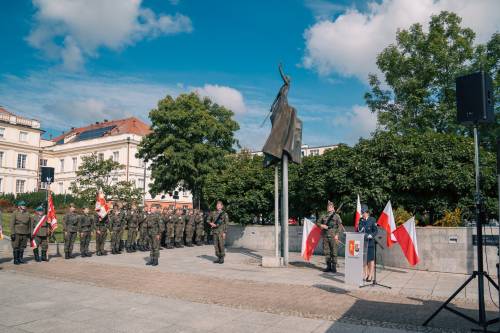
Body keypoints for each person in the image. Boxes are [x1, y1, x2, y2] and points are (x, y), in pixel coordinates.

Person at [316, 201, 342, 273]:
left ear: (333, 208)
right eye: (328, 207)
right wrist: (322, 225)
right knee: (326, 251)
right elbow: (317, 222)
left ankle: (334, 267)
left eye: (330, 207)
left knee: (334, 252)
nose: (329, 208)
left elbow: (339, 226)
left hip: (333, 236)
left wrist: (337, 234)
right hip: (325, 235)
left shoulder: (336, 216)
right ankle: (328, 266)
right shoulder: (323, 215)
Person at [357, 204, 378, 282]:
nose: (362, 214)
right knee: (364, 260)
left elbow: (375, 231)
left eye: (363, 212)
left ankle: (370, 275)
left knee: (370, 259)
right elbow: (358, 230)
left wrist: (371, 235)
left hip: (370, 242)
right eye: (362, 212)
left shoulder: (372, 220)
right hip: (363, 243)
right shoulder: (361, 220)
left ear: (367, 212)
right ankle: (365, 274)